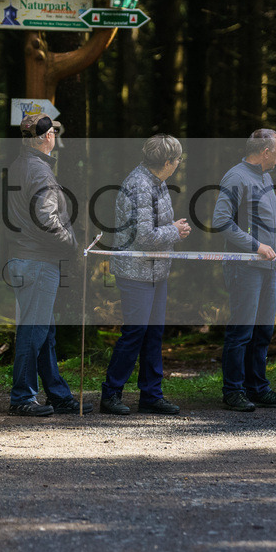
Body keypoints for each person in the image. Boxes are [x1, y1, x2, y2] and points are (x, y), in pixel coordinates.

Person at [0, 113, 91, 417]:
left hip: (24, 258)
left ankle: (57, 393)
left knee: (44, 331)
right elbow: (46, 218)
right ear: (48, 137)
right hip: (38, 261)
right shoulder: (39, 171)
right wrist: (71, 243)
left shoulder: (18, 166)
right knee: (34, 331)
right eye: (53, 131)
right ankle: (22, 396)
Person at [212, 129, 276, 412]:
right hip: (245, 267)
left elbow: (270, 219)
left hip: (268, 266)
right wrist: (255, 246)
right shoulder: (236, 176)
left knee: (263, 331)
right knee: (242, 331)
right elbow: (221, 221)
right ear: (265, 152)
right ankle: (233, 391)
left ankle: (258, 388)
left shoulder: (266, 176)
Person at [100, 135, 190, 416]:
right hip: (135, 271)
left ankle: (151, 394)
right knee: (135, 333)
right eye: (177, 160)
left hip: (155, 269)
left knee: (153, 334)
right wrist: (176, 231)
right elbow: (145, 236)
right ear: (167, 162)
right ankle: (111, 394)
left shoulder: (157, 181)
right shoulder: (139, 185)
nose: (178, 164)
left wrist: (170, 230)